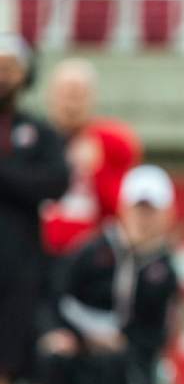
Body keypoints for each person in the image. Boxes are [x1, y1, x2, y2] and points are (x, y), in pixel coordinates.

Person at [37, 165, 179, 384]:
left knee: (112, 362)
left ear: (165, 214)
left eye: (151, 211)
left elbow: (157, 330)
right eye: (138, 209)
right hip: (76, 347)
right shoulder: (90, 252)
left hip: (126, 360)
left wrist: (121, 342)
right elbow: (56, 297)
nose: (144, 218)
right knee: (54, 360)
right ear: (123, 208)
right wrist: (61, 335)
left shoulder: (163, 269)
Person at [0, 34, 70, 384]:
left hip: (16, 265)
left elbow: (54, 182)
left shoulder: (38, 132)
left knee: (6, 364)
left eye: (11, 65)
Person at [41, 58, 142, 258]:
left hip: (95, 257)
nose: (71, 104)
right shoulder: (35, 140)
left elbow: (124, 211)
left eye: (78, 95)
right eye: (66, 95)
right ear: (51, 97)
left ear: (92, 98)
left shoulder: (113, 143)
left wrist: (98, 169)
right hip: (39, 254)